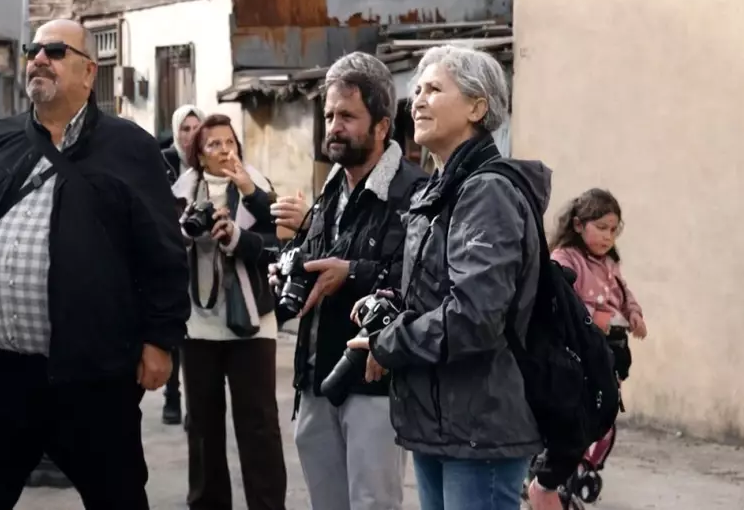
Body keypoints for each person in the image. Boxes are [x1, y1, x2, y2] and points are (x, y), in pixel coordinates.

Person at [0, 18, 189, 510]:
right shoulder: (0, 138)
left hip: (93, 377)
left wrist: (160, 339)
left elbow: (164, 253)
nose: (39, 58)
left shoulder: (129, 147)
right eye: (34, 49)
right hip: (0, 374)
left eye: (56, 51)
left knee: (117, 499)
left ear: (89, 72)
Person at [346, 44, 550, 510]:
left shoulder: (487, 192)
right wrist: (393, 303)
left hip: (480, 426)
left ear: (477, 107)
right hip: (440, 420)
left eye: (434, 89)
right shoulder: (442, 189)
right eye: (416, 90)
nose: (417, 100)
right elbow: (438, 295)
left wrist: (390, 342)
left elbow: (475, 316)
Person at [271, 52, 425, 510]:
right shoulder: (330, 189)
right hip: (315, 374)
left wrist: (352, 272)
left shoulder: (414, 192)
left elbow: (421, 280)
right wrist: (289, 265)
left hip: (373, 379)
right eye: (329, 116)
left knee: (373, 503)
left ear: (382, 126)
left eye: (347, 117)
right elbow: (320, 259)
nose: (334, 127)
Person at [173, 114, 286, 510]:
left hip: (252, 322)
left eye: (229, 142)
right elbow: (162, 249)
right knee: (202, 426)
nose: (224, 151)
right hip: (198, 325)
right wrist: (184, 235)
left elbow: (278, 244)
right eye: (213, 145)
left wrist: (238, 237)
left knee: (259, 425)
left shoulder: (256, 185)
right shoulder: (180, 193)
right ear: (199, 156)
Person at [527, 189, 646, 510]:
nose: (608, 236)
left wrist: (634, 314)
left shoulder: (609, 263)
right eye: (602, 227)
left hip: (611, 352)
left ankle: (581, 472)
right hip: (579, 356)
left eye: (614, 230)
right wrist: (595, 318)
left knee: (604, 418)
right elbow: (562, 302)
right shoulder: (565, 259)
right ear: (579, 225)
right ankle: (551, 477)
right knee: (576, 419)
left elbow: (624, 294)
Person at [161, 104, 204, 426]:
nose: (190, 135)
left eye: (195, 128)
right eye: (184, 129)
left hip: (203, 257)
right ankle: (171, 395)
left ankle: (194, 402)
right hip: (171, 254)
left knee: (197, 334)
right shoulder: (164, 161)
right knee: (175, 330)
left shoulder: (210, 161)